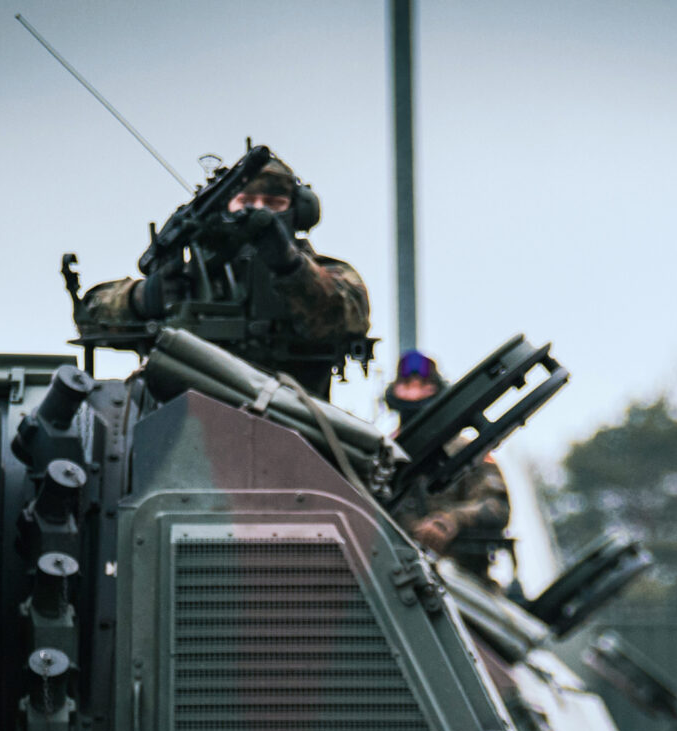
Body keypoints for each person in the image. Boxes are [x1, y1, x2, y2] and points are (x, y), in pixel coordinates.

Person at [73, 153, 369, 395]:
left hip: (297, 436)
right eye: (246, 202)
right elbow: (91, 315)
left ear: (298, 212)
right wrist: (144, 298)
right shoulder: (191, 280)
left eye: (273, 204)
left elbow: (347, 315)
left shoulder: (329, 275)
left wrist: (290, 266)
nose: (258, 212)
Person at [384, 350, 509, 579]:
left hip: (462, 578)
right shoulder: (383, 455)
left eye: (423, 383)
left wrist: (449, 520)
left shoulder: (468, 452)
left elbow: (496, 507)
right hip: (394, 573)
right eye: (407, 383)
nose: (414, 390)